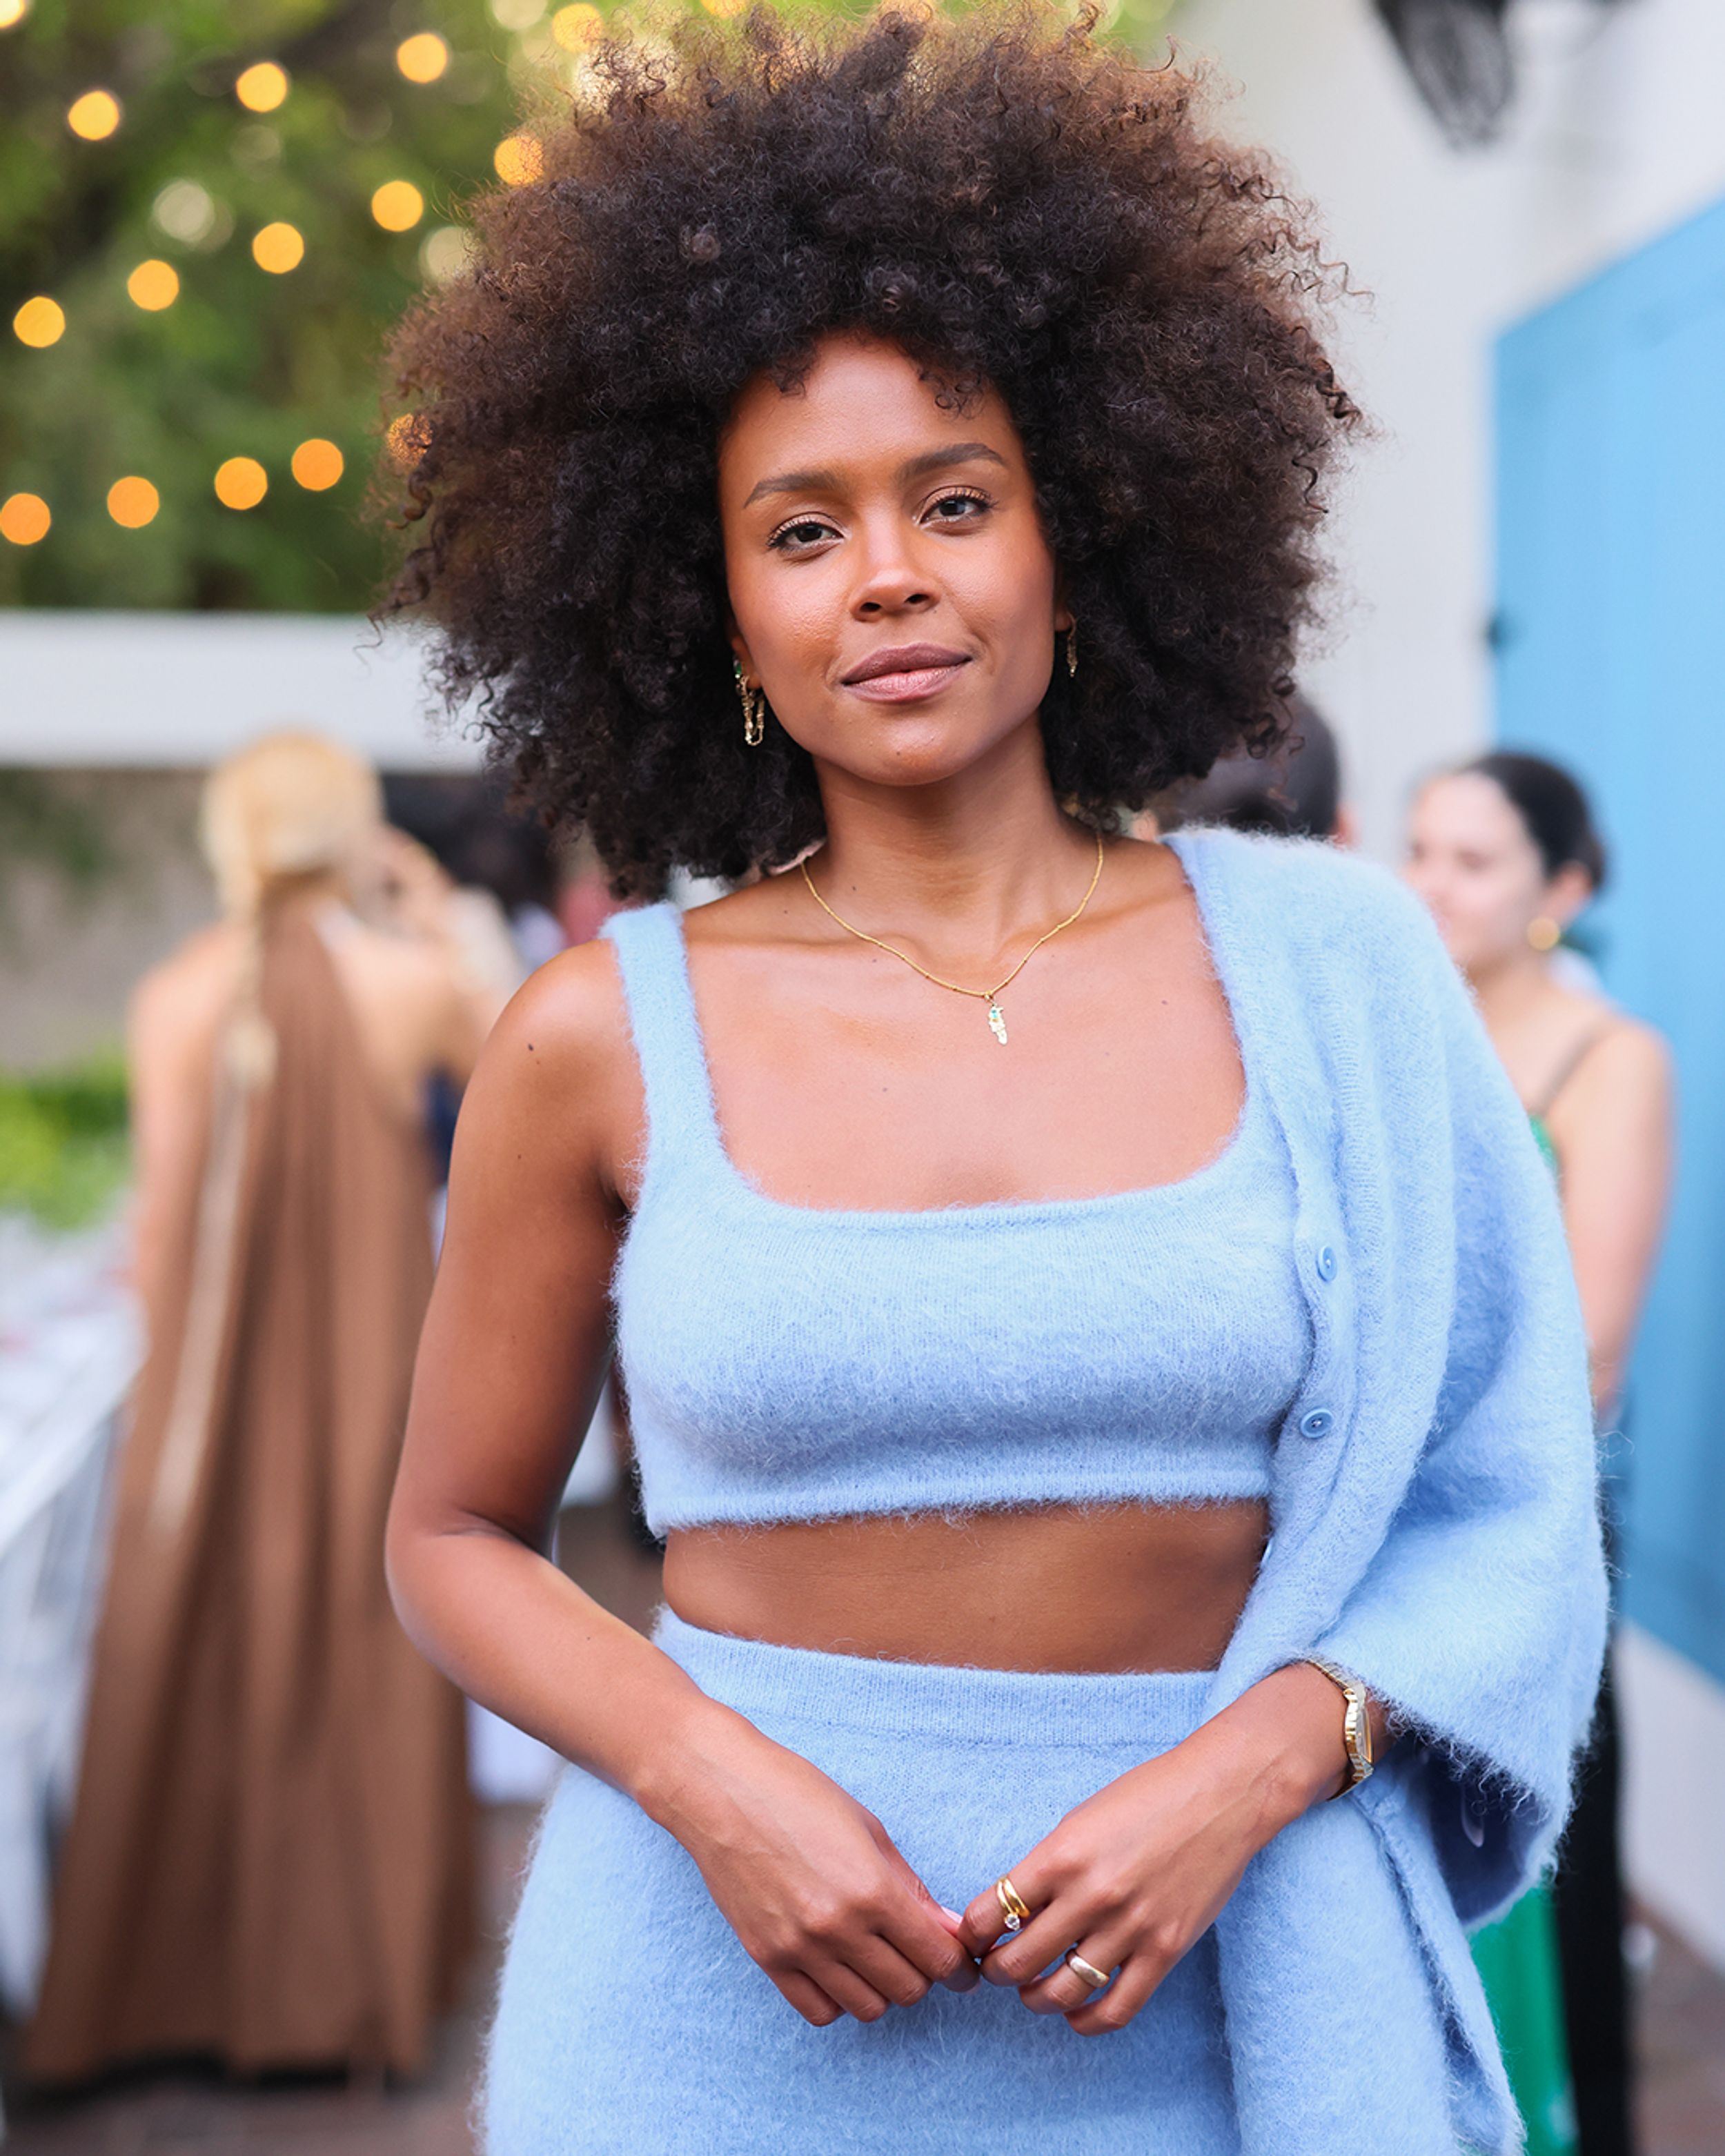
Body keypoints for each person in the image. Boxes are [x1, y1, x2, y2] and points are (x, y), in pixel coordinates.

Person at [379, 12, 1606, 2150]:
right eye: (799, 529)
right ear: (709, 611)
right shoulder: (596, 1033)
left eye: (955, 498)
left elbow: (1504, 1494)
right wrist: (701, 1772)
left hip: (1235, 1998)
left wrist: (1250, 1764)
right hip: (709, 2001)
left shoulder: (1335, 972)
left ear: (1080, 532)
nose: (889, 578)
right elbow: (454, 1531)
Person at [26, 731, 490, 2084]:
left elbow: (162, 1220)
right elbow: (520, 1041)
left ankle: (175, 1986)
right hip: (372, 1357)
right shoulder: (410, 984)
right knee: (366, 1622)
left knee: (192, 1632)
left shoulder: (179, 993)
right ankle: (355, 1987)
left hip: (212, 1373)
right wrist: (430, 910)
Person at [1407, 750, 1673, 2156]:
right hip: (1381, 1524)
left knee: (1541, 1876)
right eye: (1417, 851)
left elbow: (1586, 1353)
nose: (1428, 886)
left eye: (1469, 861)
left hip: (1529, 1531)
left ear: (1558, 890)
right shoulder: (1405, 1031)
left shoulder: (1605, 1058)